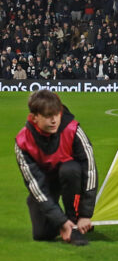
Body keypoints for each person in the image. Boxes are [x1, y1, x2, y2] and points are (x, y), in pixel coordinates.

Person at [15, 90, 97, 246]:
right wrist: (61, 221)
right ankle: (64, 223)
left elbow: (90, 170)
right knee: (42, 234)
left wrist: (85, 214)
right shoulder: (23, 142)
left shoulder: (73, 130)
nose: (54, 120)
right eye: (48, 116)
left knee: (70, 169)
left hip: (71, 178)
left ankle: (74, 221)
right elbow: (35, 186)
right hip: (45, 184)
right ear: (34, 117)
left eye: (57, 114)